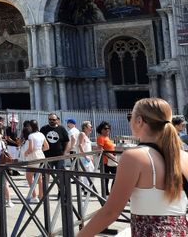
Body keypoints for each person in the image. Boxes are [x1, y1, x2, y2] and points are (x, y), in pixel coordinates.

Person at [77, 98, 188, 236]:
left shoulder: (134, 157)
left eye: (131, 117)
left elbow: (111, 212)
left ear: (139, 121)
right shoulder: (184, 156)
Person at [24, 120, 48, 203]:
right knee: (39, 177)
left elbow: (30, 148)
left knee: (29, 177)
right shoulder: (41, 134)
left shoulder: (31, 136)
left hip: (33, 156)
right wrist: (39, 149)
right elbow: (47, 147)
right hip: (41, 155)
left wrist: (25, 153)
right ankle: (41, 196)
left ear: (31, 126)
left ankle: (34, 196)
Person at [96, 120, 118, 190]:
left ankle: (111, 191)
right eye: (105, 128)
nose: (107, 130)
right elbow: (100, 149)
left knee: (114, 176)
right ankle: (107, 192)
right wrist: (110, 155)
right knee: (108, 177)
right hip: (105, 161)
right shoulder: (101, 137)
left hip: (110, 160)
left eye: (108, 128)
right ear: (101, 130)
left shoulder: (107, 137)